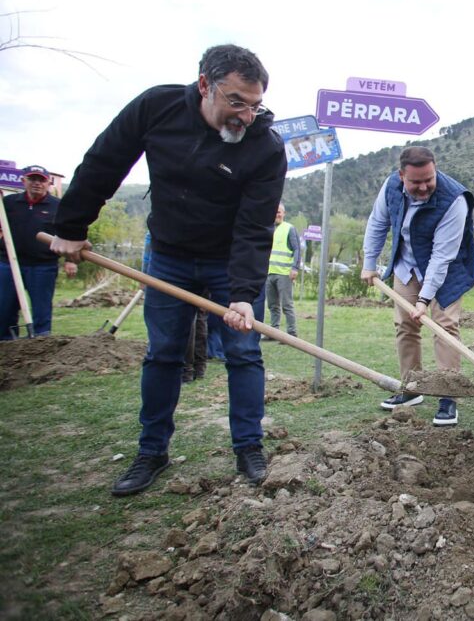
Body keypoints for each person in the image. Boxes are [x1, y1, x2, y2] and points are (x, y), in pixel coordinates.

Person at [51, 44, 287, 496]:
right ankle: (151, 452)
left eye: (255, 105)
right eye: (236, 102)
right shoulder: (156, 108)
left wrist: (242, 293)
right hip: (168, 256)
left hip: (227, 261)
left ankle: (249, 448)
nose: (245, 116)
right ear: (204, 85)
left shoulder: (265, 146)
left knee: (243, 352)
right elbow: (105, 162)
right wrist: (71, 227)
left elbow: (255, 227)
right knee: (163, 353)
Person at [360, 146, 474, 427]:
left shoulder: (454, 200)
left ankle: (447, 395)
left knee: (445, 327)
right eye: (416, 182)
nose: (424, 187)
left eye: (429, 179)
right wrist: (369, 263)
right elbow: (377, 223)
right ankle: (412, 388)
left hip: (447, 270)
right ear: (402, 176)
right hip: (407, 266)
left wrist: (424, 300)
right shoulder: (390, 187)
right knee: (405, 325)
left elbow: (442, 256)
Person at [1, 165, 77, 339]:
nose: (37, 183)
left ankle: (41, 344)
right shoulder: (9, 203)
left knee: (41, 310)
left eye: (41, 180)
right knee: (4, 308)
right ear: (23, 181)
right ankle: (6, 345)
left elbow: (68, 234)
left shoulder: (57, 206)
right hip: (9, 264)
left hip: (43, 266)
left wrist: (70, 260)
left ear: (48, 183)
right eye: (32, 179)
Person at [265, 203, 300, 339]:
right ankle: (274, 332)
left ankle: (291, 333)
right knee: (272, 305)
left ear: (284, 213)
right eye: (275, 212)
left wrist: (295, 268)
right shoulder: (269, 229)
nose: (277, 214)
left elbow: (297, 249)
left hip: (284, 273)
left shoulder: (289, 228)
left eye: (279, 212)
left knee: (286, 305)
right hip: (270, 273)